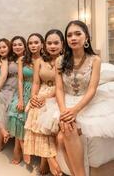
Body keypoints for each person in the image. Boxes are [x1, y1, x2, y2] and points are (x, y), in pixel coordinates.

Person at [55, 20, 101, 176]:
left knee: (65, 135)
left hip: (86, 103)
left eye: (77, 33)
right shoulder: (60, 60)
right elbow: (59, 88)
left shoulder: (95, 60)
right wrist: (63, 111)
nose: (73, 38)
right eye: (69, 35)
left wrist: (75, 110)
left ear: (86, 37)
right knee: (64, 134)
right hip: (64, 102)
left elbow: (93, 89)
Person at [24, 29, 64, 176]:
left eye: (56, 43)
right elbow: (35, 82)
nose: (52, 46)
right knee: (34, 110)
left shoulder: (65, 60)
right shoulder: (39, 61)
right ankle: (46, 158)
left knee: (46, 115)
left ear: (62, 44)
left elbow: (62, 85)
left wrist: (45, 98)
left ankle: (46, 159)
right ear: (44, 45)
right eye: (49, 43)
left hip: (57, 94)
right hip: (41, 91)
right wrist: (34, 96)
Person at [7, 33, 44, 164]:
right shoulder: (23, 59)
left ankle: (20, 148)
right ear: (28, 45)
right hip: (23, 90)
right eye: (30, 43)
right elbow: (20, 80)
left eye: (36, 43)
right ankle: (20, 148)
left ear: (41, 44)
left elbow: (40, 82)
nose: (33, 45)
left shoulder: (44, 60)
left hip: (39, 91)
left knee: (27, 114)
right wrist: (21, 99)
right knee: (16, 110)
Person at [0, 36, 26, 151]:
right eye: (15, 45)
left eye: (20, 45)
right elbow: (2, 76)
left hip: (19, 88)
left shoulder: (27, 58)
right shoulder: (8, 59)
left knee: (1, 102)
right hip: (7, 87)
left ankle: (1, 137)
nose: (17, 47)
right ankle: (2, 133)